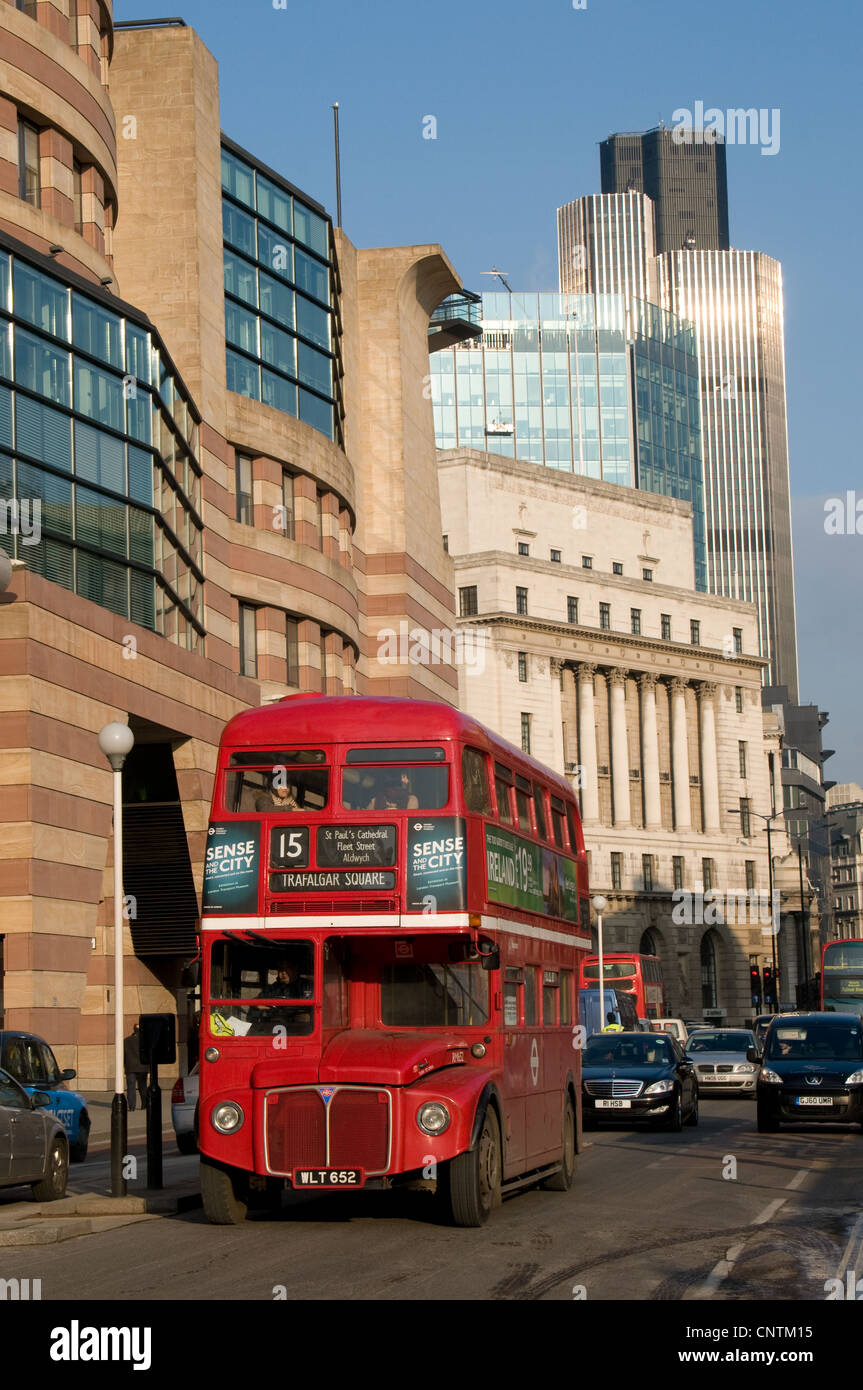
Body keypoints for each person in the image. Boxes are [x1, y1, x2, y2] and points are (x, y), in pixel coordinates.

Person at [123, 1024, 148, 1111]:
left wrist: (125, 1066)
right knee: (143, 1086)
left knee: (131, 1088)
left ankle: (131, 1106)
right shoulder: (145, 1040)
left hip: (130, 1068)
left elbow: (123, 1055)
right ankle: (144, 1104)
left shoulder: (126, 1041)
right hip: (143, 1068)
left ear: (133, 1030)